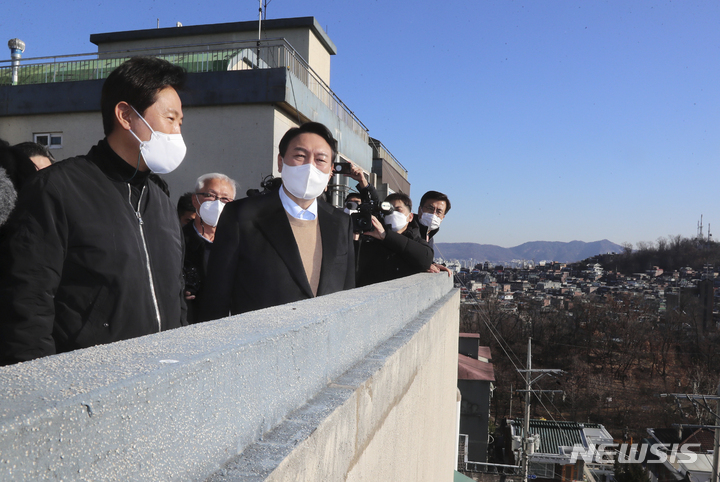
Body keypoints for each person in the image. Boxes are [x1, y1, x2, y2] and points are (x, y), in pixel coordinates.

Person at [0, 56, 188, 365]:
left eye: (180, 123)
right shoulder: (57, 189)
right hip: (86, 388)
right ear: (126, 115)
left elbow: (177, 298)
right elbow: (26, 302)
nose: (177, 133)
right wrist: (44, 389)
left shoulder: (162, 203)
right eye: (170, 119)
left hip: (161, 382)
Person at [201, 122, 355, 319]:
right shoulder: (241, 215)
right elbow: (216, 296)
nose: (310, 166)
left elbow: (348, 293)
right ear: (281, 162)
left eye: (320, 160)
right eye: (300, 156)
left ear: (331, 170)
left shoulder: (341, 222)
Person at [183, 173, 237, 323]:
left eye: (225, 198)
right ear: (195, 200)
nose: (217, 203)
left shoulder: (239, 241)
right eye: (210, 195)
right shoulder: (178, 240)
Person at [355, 192, 433, 287]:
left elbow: (425, 258)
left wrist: (386, 236)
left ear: (410, 217)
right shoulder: (372, 237)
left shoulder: (415, 239)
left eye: (398, 210)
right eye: (388, 211)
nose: (393, 214)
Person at [414, 190, 452, 275]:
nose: (433, 214)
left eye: (439, 211)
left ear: (442, 217)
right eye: (430, 208)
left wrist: (433, 264)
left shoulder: (429, 235)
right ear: (420, 210)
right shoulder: (409, 228)